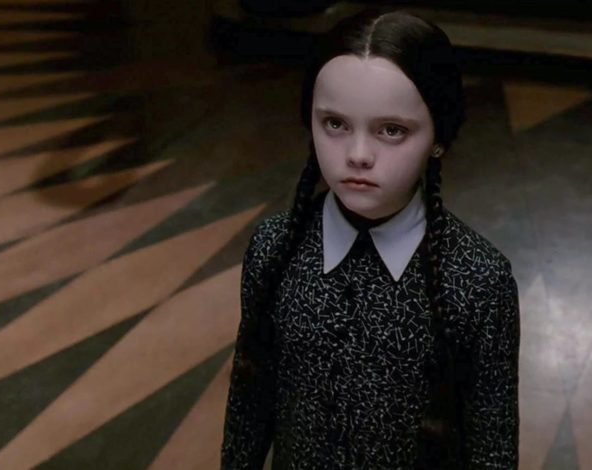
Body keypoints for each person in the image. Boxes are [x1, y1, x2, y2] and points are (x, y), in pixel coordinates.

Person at [221, 9, 520, 469]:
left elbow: (492, 448)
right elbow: (250, 400)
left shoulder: (480, 281)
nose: (358, 155)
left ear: (439, 136)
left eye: (392, 130)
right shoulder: (274, 248)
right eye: (335, 124)